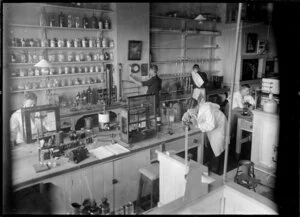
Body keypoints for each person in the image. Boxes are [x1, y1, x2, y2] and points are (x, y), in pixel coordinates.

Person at [182, 97, 227, 172]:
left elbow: (212, 125)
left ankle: (214, 168)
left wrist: (197, 125)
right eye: (189, 110)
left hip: (219, 125)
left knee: (216, 145)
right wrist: (185, 117)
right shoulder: (192, 107)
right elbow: (189, 113)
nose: (190, 112)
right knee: (208, 143)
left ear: (197, 106)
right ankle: (207, 163)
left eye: (191, 110)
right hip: (208, 124)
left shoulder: (206, 109)